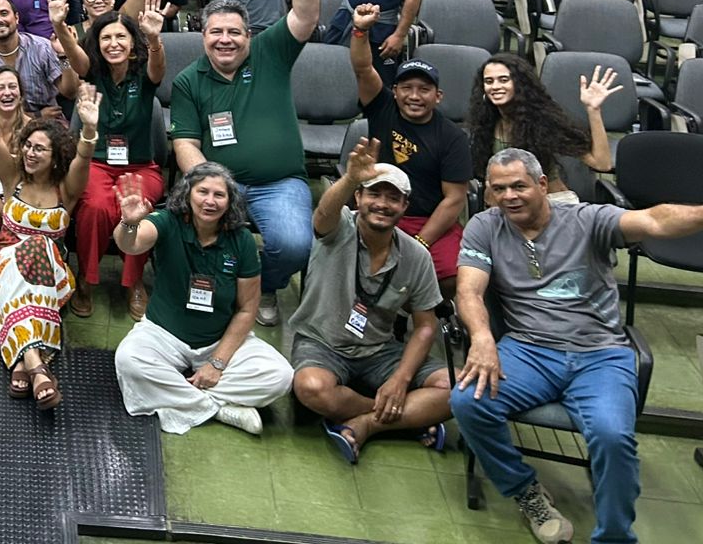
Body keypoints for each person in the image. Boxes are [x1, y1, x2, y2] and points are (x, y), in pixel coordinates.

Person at [451, 149, 703, 544]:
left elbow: (654, 220)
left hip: (600, 354)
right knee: (468, 402)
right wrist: (482, 338)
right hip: (529, 349)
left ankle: (614, 536)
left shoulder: (587, 220)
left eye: (518, 186)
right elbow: (468, 290)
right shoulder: (485, 226)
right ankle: (525, 491)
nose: (509, 196)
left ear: (542, 185)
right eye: (498, 189)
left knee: (612, 436)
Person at [170, 0, 320, 327]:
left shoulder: (271, 52)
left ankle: (261, 286)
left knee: (295, 245)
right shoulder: (188, 81)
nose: (225, 39)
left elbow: (305, 16)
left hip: (279, 183)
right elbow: (185, 143)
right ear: (203, 36)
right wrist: (210, 183)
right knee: (185, 237)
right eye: (216, 32)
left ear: (249, 36)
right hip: (221, 184)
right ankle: (224, 290)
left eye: (234, 32)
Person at [292, 138, 451, 464]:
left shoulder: (416, 255)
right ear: (358, 198)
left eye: (393, 198)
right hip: (321, 342)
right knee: (311, 387)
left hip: (379, 350)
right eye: (374, 194)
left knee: (457, 387)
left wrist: (400, 380)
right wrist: (351, 177)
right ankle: (408, 417)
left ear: (404, 206)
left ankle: (365, 423)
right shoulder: (339, 228)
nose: (382, 204)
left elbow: (425, 326)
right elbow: (323, 214)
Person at [113, 162, 294, 435]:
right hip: (163, 334)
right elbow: (130, 244)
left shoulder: (242, 240)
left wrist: (217, 363)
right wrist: (129, 222)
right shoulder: (167, 221)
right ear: (188, 194)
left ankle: (180, 398)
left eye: (219, 195)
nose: (210, 201)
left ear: (229, 201)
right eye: (202, 192)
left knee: (280, 376)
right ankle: (218, 409)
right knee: (129, 361)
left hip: (218, 339)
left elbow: (247, 309)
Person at [0, 80, 98, 407]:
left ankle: (22, 363)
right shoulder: (13, 176)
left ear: (56, 157)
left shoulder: (65, 189)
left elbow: (84, 157)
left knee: (39, 247)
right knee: (29, 250)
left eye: (39, 149)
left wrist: (88, 128)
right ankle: (35, 365)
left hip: (49, 275)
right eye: (27, 145)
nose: (29, 152)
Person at [58, 0, 169, 320]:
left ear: (133, 43)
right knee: (96, 208)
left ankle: (134, 281)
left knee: (134, 208)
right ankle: (86, 278)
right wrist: (59, 26)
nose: (113, 43)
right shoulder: (93, 74)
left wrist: (154, 37)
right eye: (106, 37)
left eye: (121, 37)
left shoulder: (145, 75)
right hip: (97, 164)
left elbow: (158, 67)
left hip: (140, 167)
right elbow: (76, 57)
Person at [348, 10, 472, 294]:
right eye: (407, 88)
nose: (414, 96)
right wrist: (360, 31)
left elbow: (454, 200)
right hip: (379, 208)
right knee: (346, 259)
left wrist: (420, 244)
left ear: (437, 96)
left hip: (428, 220)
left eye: (424, 89)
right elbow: (363, 68)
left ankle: (424, 309)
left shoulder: (453, 138)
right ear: (395, 91)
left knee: (456, 274)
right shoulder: (382, 107)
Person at [468, 54, 616, 204]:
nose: (495, 86)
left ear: (520, 84)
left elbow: (602, 164)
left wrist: (593, 110)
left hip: (553, 204)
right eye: (489, 81)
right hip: (511, 205)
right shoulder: (484, 124)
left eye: (504, 80)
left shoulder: (542, 121)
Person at [0, 0, 78, 118]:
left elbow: (70, 92)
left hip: (47, 125)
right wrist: (36, 116)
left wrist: (63, 56)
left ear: (16, 18)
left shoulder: (42, 47)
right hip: (2, 124)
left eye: (4, 13)